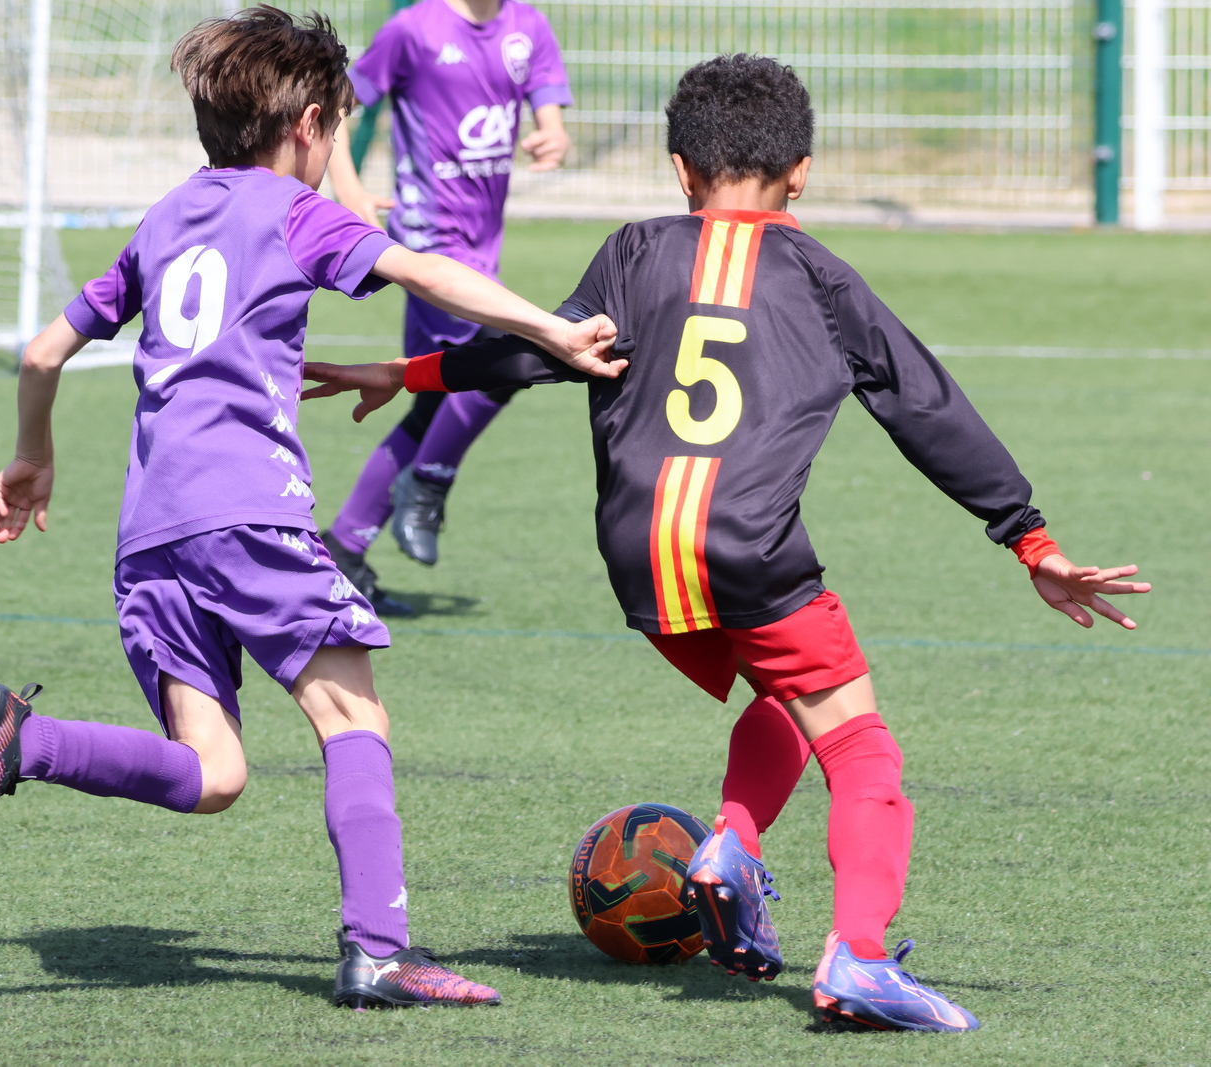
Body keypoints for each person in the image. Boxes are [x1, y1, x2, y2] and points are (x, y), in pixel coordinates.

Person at [302, 53, 1150, 1031]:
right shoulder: (824, 278)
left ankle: (732, 847)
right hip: (751, 549)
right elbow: (927, 409)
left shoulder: (632, 250)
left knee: (786, 696)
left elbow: (544, 346)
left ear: (680, 169)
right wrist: (1028, 537)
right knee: (862, 746)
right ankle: (859, 957)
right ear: (802, 172)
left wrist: (409, 373)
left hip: (639, 552)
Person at [0, 6, 619, 1010]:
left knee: (212, 772)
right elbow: (420, 269)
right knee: (350, 711)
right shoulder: (295, 211)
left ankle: (21, 739)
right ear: (308, 126)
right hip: (249, 513)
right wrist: (553, 330)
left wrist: (32, 456)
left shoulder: (165, 218)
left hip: (151, 535)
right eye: (332, 130)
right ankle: (378, 951)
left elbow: (42, 353)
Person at [321, 0, 573, 612]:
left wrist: (553, 136)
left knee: (437, 393)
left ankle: (345, 548)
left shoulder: (527, 26)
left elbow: (549, 114)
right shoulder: (413, 30)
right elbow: (335, 110)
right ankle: (430, 482)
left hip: (482, 248)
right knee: (511, 361)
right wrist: (350, 192)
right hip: (430, 242)